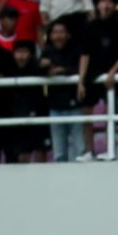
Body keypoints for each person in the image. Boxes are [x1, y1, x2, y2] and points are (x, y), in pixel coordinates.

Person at [77, 0, 118, 161]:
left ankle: (110, 150)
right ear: (97, 5)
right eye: (103, 1)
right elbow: (84, 54)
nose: (106, 5)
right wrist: (81, 80)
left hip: (111, 75)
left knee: (111, 114)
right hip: (92, 74)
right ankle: (89, 151)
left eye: (109, 2)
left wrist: (113, 72)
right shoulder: (90, 27)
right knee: (87, 115)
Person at [40, 17, 83, 161]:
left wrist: (61, 70)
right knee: (59, 154)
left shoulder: (77, 50)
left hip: (75, 105)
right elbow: (37, 70)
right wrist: (43, 67)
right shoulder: (47, 52)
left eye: (62, 32)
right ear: (50, 36)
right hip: (55, 106)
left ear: (68, 35)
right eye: (55, 32)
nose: (58, 36)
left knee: (80, 152)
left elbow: (79, 69)